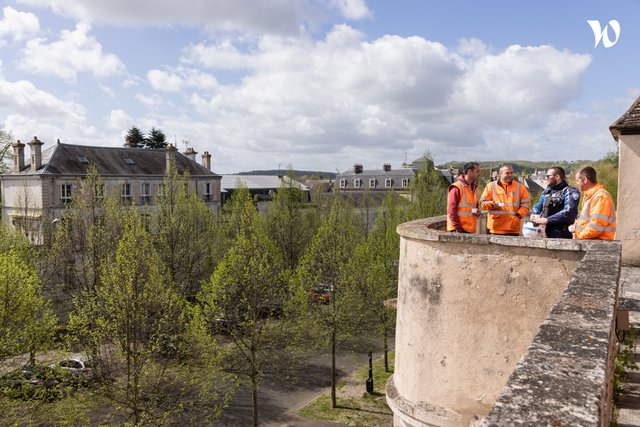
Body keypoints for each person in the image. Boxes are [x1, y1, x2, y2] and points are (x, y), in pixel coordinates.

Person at [530, 166, 580, 239]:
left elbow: (569, 212)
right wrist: (533, 215)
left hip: (561, 234)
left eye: (548, 176)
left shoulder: (569, 191)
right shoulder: (546, 192)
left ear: (557, 177)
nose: (546, 178)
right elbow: (537, 206)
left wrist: (547, 220)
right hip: (542, 233)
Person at [480, 164, 531, 236]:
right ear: (500, 174)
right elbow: (483, 203)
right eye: (507, 173)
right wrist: (492, 204)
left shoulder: (520, 187)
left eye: (511, 173)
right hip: (496, 228)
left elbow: (526, 204)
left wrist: (518, 216)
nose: (510, 175)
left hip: (513, 228)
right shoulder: (490, 186)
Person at [573, 166, 616, 240]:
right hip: (592, 242)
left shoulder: (600, 197)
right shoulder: (591, 196)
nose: (577, 184)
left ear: (585, 180)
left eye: (577, 181)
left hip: (598, 245)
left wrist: (579, 236)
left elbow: (596, 226)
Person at [447, 162, 480, 233]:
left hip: (470, 229)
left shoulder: (474, 187)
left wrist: (476, 211)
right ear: (469, 172)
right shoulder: (457, 187)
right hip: (459, 230)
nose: (479, 174)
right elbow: (451, 211)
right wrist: (459, 229)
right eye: (477, 171)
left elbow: (473, 207)